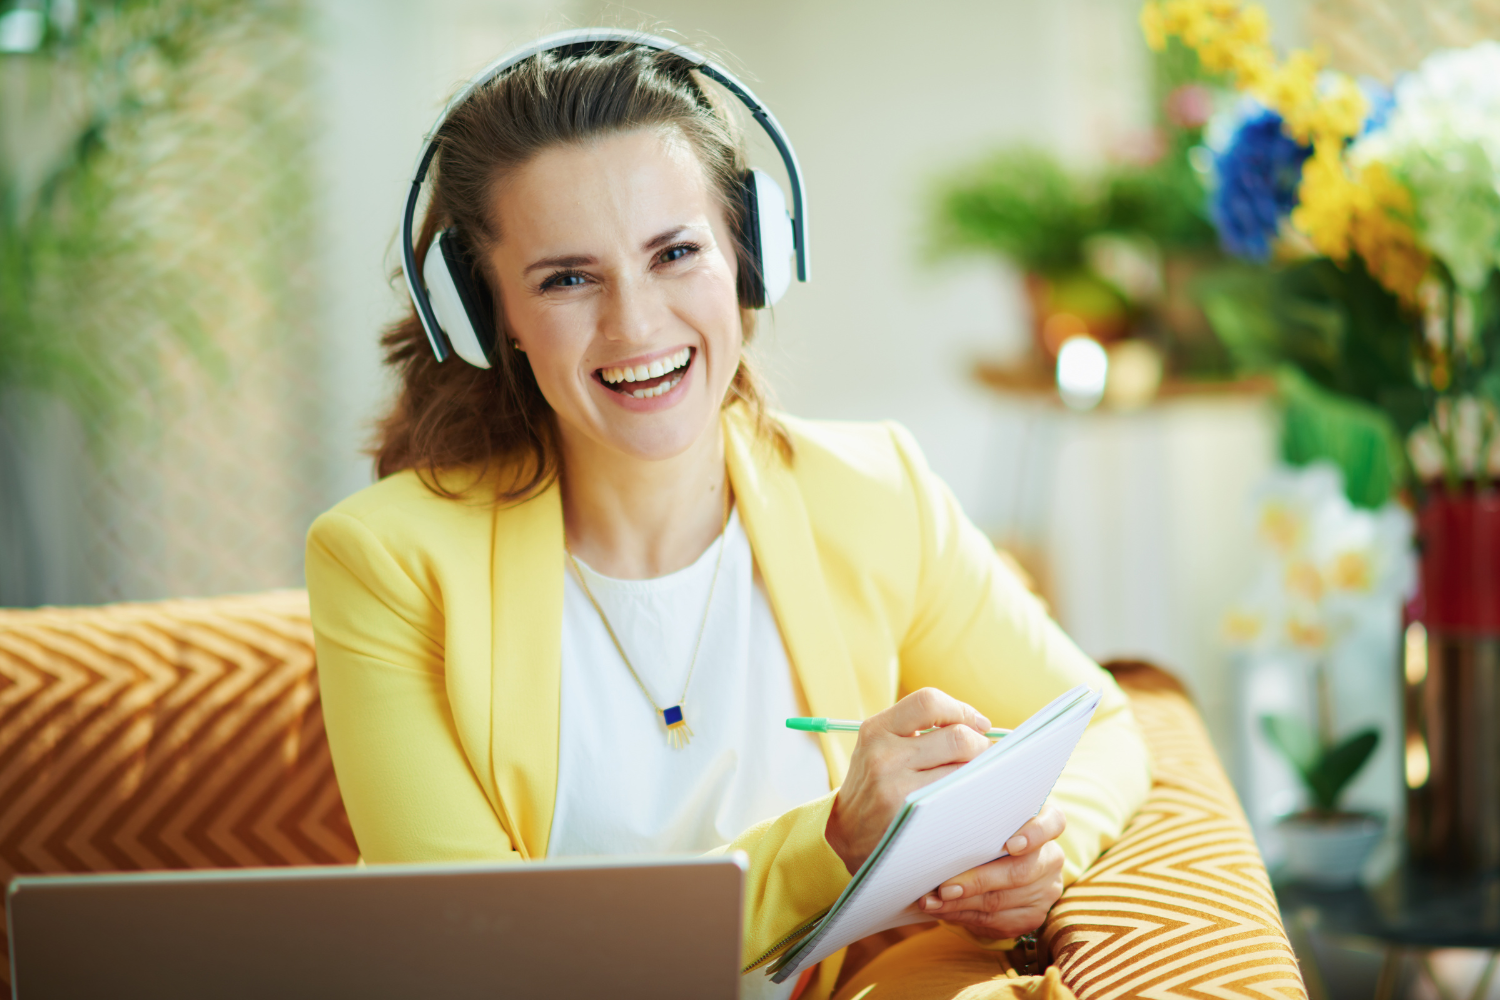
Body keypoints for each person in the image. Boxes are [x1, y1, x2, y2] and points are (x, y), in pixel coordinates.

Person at [305, 32, 1151, 1000]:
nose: (637, 326)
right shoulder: (383, 560)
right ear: (484, 313)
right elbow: (475, 947)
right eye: (567, 278)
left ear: (751, 256)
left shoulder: (876, 489)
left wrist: (1037, 853)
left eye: (675, 253)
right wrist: (831, 846)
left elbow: (1105, 727)